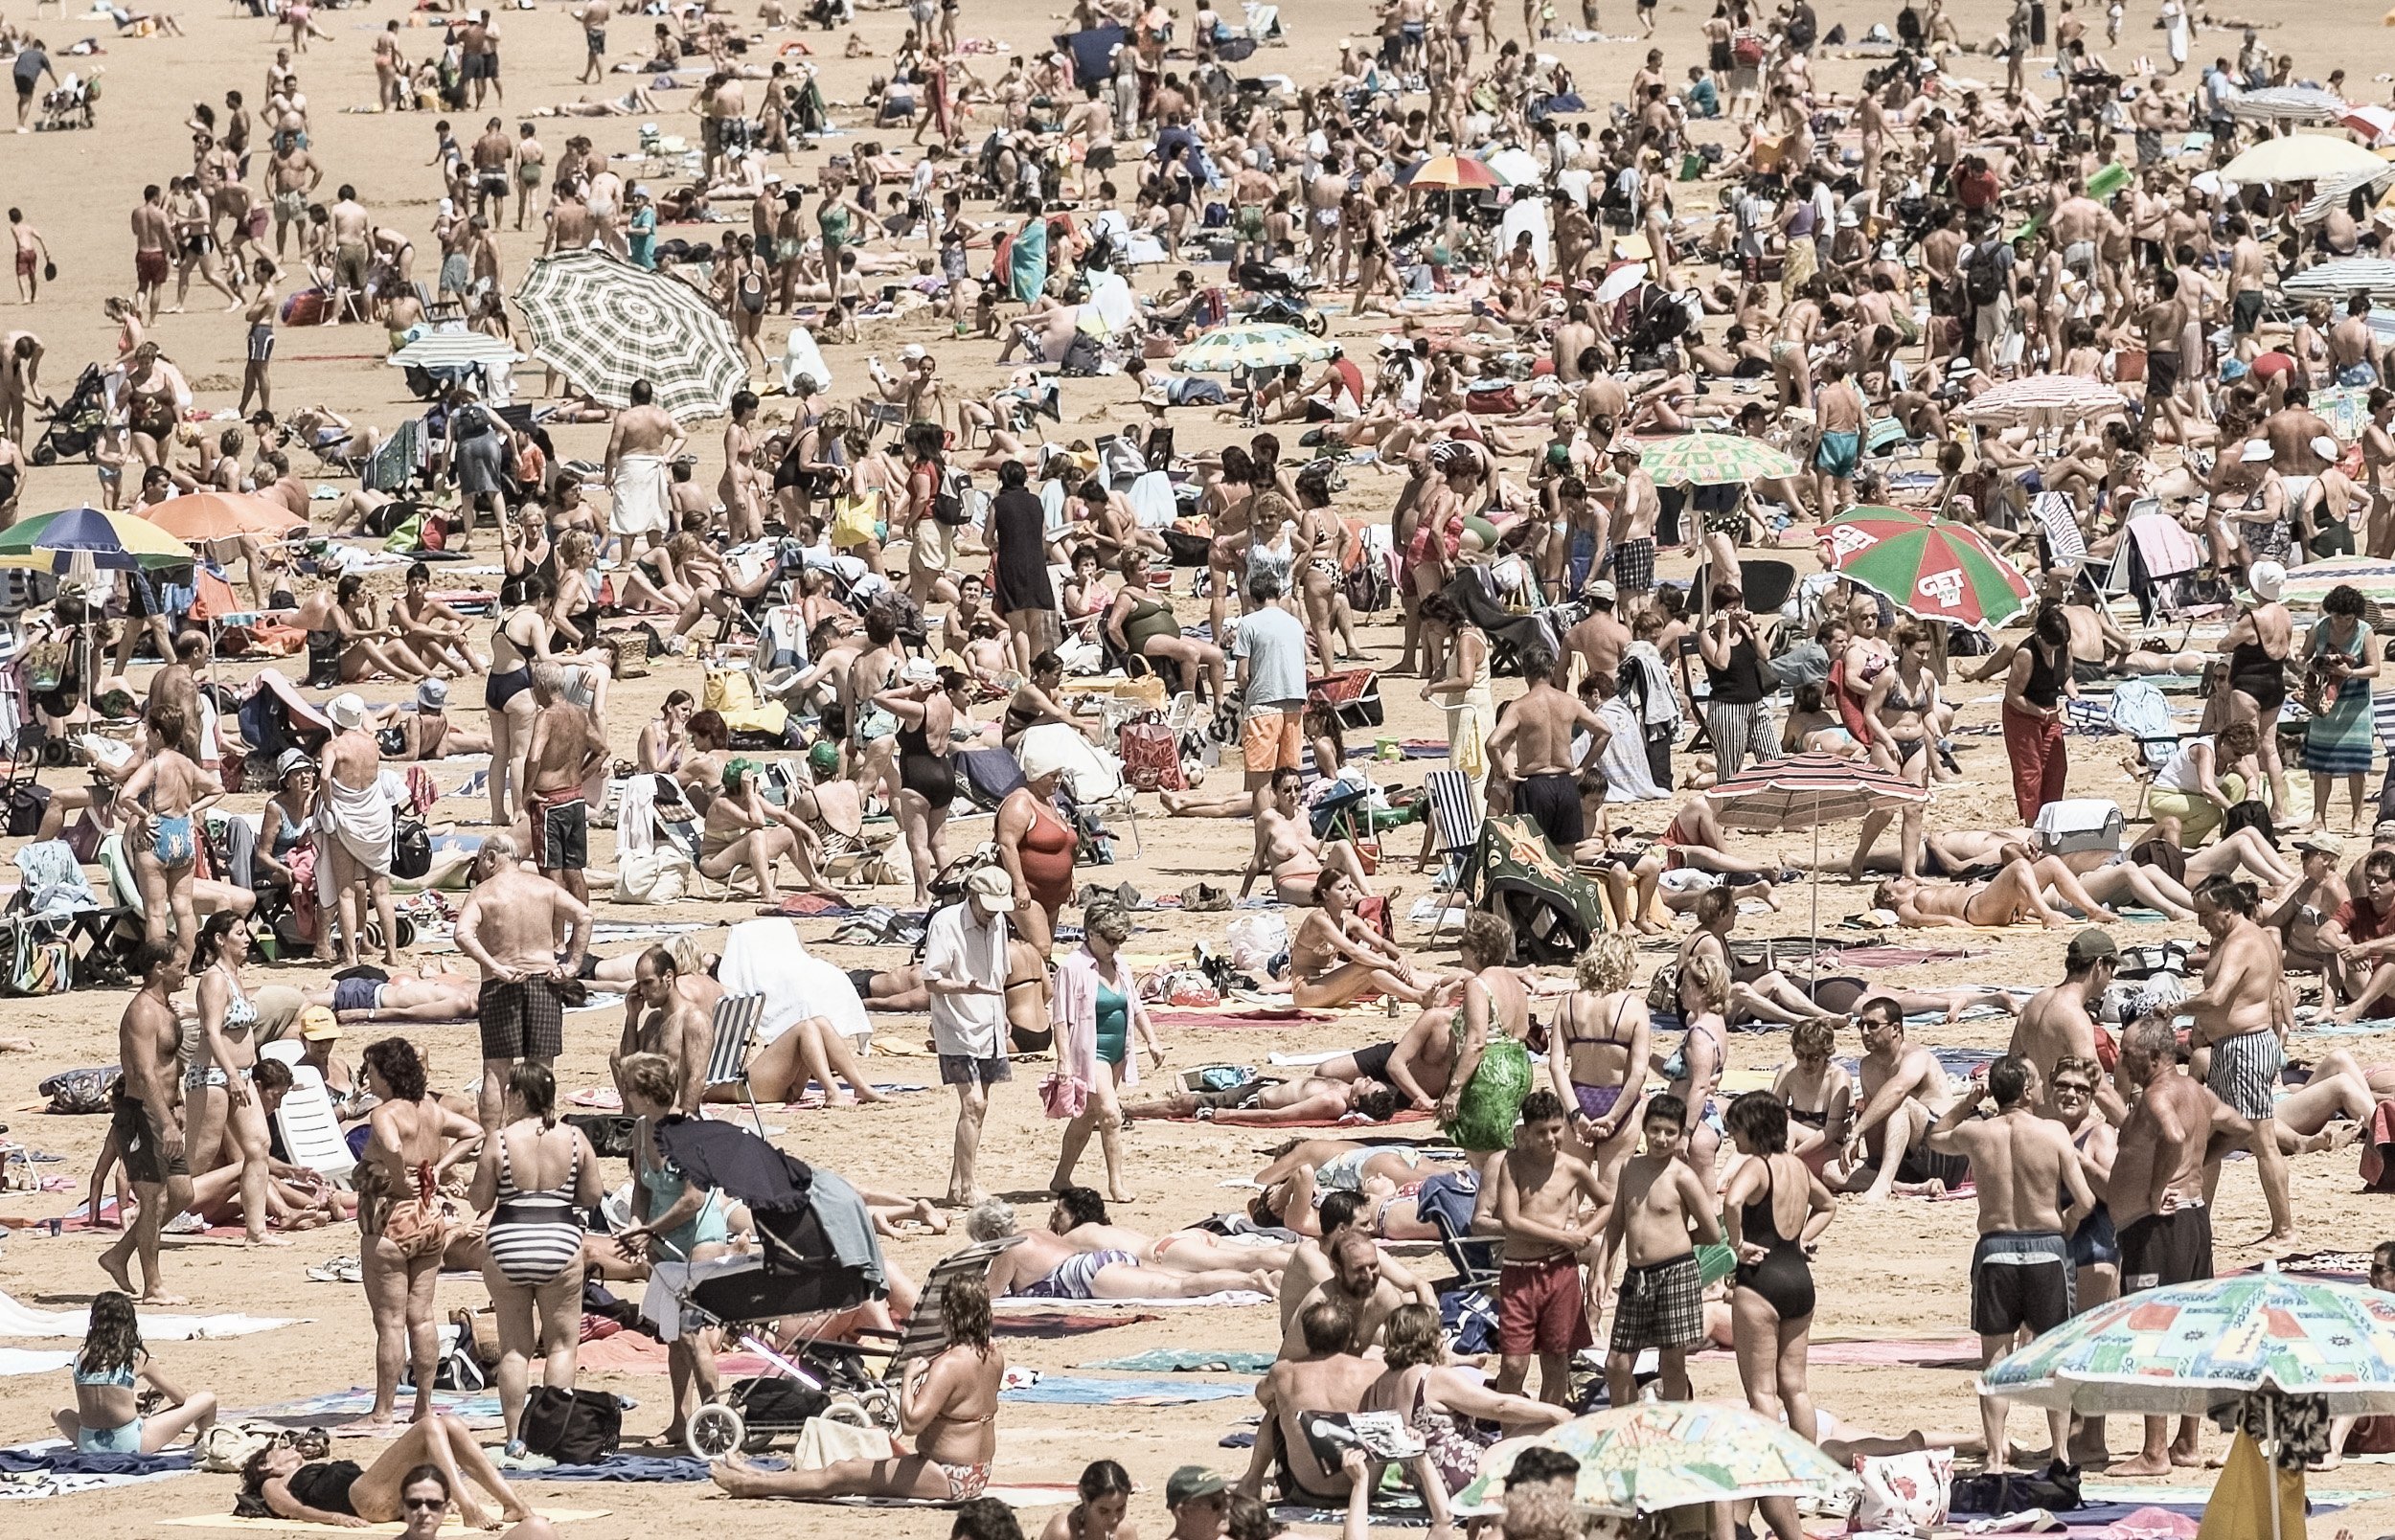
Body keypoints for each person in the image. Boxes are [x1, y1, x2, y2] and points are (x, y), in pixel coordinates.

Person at [1925, 1053, 2092, 1470]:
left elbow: (1935, 1135)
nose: (2041, 1088)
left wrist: (1969, 1100)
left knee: (1995, 1361)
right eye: (2035, 1081)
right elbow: (2086, 1200)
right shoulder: (2052, 1133)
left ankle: (1996, 1455)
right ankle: (2060, 1452)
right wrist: (2066, 1226)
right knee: (2052, 1358)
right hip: (2046, 1248)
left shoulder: (1979, 1135)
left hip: (1996, 1248)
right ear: (2024, 1090)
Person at [711, 1277, 1004, 1502]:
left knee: (842, 1473)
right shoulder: (992, 1355)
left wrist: (909, 1380)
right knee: (859, 1459)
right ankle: (754, 1474)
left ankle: (752, 1484)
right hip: (977, 1473)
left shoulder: (950, 1365)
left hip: (948, 1475)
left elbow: (912, 1424)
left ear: (950, 1314)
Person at [2110, 1014, 2232, 1474]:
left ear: (2158, 1057)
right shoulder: (2197, 1093)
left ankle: (2155, 1451)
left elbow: (2174, 1135)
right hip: (2194, 1218)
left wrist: (2159, 1185)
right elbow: (2238, 1127)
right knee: (2192, 1331)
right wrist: (2199, 1165)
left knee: (2154, 1332)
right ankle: (2186, 1442)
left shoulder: (2159, 1094)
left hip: (2159, 1227)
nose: (2124, 1062)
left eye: (2130, 1056)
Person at [467, 1062, 603, 1457]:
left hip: (509, 1240)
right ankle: (552, 1433)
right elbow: (592, 1195)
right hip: (559, 1240)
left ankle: (514, 1438)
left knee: (514, 1348)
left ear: (520, 1096)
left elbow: (481, 1200)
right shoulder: (575, 1138)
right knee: (561, 1345)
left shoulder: (501, 1141)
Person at [356, 1035, 480, 1428]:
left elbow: (392, 1146)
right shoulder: (431, 1109)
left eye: (372, 1072)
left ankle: (383, 1411)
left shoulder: (385, 1113)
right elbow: (474, 1132)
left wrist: (396, 1177)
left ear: (387, 1074)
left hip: (391, 1218)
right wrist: (440, 1168)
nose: (368, 1079)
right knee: (422, 1318)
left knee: (390, 1322)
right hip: (429, 1219)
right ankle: (423, 1406)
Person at [618, 1051, 731, 1446]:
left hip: (699, 1238)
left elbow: (692, 1201)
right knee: (672, 1335)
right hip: (662, 1239)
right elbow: (641, 1188)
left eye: (629, 1089)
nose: (625, 1095)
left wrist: (648, 1229)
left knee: (691, 1332)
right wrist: (636, 1227)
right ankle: (681, 1421)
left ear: (647, 1094)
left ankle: (713, 1418)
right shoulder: (640, 1130)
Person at [2183, 876, 2295, 1244]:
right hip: (2234, 1047)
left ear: (2228, 909)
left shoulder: (2244, 942)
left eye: (2205, 913)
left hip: (2245, 1047)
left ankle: (2284, 1228)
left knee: (2261, 1140)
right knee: (2213, 1135)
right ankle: (2201, 1222)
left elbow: (2217, 997)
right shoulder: (2239, 937)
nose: (2201, 921)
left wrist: (2176, 1008)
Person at [455, 838, 591, 1132]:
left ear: (490, 858)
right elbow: (584, 915)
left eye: (479, 863)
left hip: (500, 983)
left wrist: (494, 966)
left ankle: (493, 1139)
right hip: (544, 980)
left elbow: (462, 934)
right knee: (542, 1066)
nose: (479, 870)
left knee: (496, 1069)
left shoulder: (483, 893)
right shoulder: (543, 887)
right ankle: (542, 1131)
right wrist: (572, 964)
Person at [1721, 1092, 1834, 1443]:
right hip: (1799, 1279)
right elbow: (1827, 1205)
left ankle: (1774, 1474)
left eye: (1736, 1129)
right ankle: (1808, 1473)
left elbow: (1733, 1200)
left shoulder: (1758, 1165)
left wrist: (1737, 1245)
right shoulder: (1798, 1166)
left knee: (1762, 1392)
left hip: (1761, 1281)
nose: (1733, 1137)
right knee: (1796, 1387)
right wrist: (1800, 1239)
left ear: (1753, 1129)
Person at [1603, 1093, 1721, 1411]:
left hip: (1676, 1273)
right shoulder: (1630, 1168)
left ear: (1681, 1134)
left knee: (1672, 1362)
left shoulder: (1682, 1175)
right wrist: (1601, 1271)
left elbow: (1712, 1231)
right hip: (1636, 1275)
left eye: (1670, 1132)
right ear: (1644, 1128)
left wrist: (1680, 1240)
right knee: (1617, 1364)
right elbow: (1616, 1224)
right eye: (1655, 1130)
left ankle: (1675, 1430)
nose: (1661, 1138)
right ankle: (1624, 1425)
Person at [1493, 1091, 1606, 1405]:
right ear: (1526, 1132)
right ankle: (1509, 1435)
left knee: (1557, 1360)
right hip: (1519, 1273)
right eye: (1541, 1132)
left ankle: (1547, 1431)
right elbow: (1511, 1220)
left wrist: (1585, 1231)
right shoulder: (1512, 1164)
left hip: (1560, 1272)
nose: (1550, 1139)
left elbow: (1608, 1202)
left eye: (1556, 1130)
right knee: (1514, 1364)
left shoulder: (1572, 1168)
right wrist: (1564, 1238)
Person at [100, 944, 194, 1304]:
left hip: (164, 1112)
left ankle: (118, 1253)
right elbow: (143, 1073)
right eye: (180, 966)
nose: (185, 972)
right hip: (143, 1114)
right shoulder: (141, 1011)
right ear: (159, 968)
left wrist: (179, 1102)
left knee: (184, 1193)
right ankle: (153, 1286)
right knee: (153, 1199)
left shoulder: (166, 1009)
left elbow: (170, 1066)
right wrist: (166, 1122)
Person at [1049, 903, 1161, 1202]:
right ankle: (1116, 1184)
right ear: (1091, 934)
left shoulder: (1120, 964)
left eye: (1120, 940)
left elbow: (1135, 1005)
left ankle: (1061, 1177)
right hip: (1090, 1053)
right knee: (1110, 1114)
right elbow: (1059, 1017)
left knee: (1087, 1116)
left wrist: (1151, 1040)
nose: (1116, 946)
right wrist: (1063, 1060)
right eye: (1111, 940)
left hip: (1117, 1053)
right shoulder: (1072, 967)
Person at [242, 1416, 535, 1530]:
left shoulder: (307, 1467)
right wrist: (335, 1518)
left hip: (380, 1496)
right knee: (428, 1426)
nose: (285, 1447)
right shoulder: (272, 1484)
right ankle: (470, 1507)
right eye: (275, 1450)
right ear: (265, 1466)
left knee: (451, 1424)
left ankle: (513, 1504)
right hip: (361, 1502)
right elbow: (294, 1510)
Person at [928, 866, 1015, 1207]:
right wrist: (963, 987)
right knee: (972, 1102)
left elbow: (999, 973)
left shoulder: (997, 924)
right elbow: (930, 980)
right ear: (973, 895)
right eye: (987, 905)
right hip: (957, 1025)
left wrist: (1004, 1012)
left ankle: (957, 1185)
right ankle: (968, 1187)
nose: (991, 912)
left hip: (990, 1024)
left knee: (980, 1107)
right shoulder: (946, 923)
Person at [54, 1290, 217, 1454]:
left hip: (88, 1443)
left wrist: (128, 1396)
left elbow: (100, 1393)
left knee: (58, 1412)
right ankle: (203, 1436)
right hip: (130, 1443)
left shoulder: (81, 1357)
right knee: (207, 1399)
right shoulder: (135, 1356)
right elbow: (180, 1398)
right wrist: (157, 1391)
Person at [1842, 997, 1965, 1200]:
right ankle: (1913, 1188)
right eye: (1861, 1025)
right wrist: (1869, 1160)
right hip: (1907, 1161)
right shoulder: (1867, 1067)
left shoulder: (1916, 1057)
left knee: (1902, 1104)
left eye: (1872, 1025)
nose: (1864, 1032)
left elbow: (1898, 1090)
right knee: (1832, 1171)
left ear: (1896, 1029)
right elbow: (1874, 1130)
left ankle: (1883, 1185)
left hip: (1946, 1152)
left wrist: (1855, 1132)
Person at [1486, 646, 1608, 851]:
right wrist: (1583, 768)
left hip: (1535, 785)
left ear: (1525, 672)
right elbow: (1604, 732)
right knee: (1567, 859)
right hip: (1565, 783)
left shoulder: (1519, 706)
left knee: (1535, 857)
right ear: (1551, 669)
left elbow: (1492, 743)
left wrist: (1503, 774)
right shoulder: (1570, 702)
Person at [313, 693, 399, 970]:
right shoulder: (371, 744)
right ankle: (392, 953)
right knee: (381, 891)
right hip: (375, 817)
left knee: (346, 891)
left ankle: (351, 955)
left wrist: (328, 804)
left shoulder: (334, 747)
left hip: (348, 818)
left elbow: (325, 776)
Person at [1230, 571, 1312, 809]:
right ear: (1278, 594)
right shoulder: (1295, 623)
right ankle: (1289, 829)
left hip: (1263, 705)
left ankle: (1264, 839)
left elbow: (1242, 674)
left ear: (1253, 598)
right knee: (1288, 778)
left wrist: (1243, 687)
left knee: (1262, 783)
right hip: (1294, 705)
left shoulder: (1248, 623)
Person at [994, 736, 1077, 954]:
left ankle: (1038, 987)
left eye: (1060, 775)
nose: (1057, 781)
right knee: (1041, 948)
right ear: (1036, 775)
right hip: (1028, 892)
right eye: (1052, 776)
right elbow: (1006, 844)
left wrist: (1071, 880)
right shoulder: (1020, 803)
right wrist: (1019, 887)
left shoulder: (1049, 801)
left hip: (1054, 895)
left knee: (1043, 953)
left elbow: (1065, 846)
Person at [2002, 604, 2074, 823]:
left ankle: (2051, 818)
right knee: (2030, 773)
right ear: (2040, 635)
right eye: (2050, 645)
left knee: (2057, 767)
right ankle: (2031, 822)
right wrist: (2041, 714)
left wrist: (2076, 698)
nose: (2053, 649)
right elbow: (2013, 695)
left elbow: (2066, 677)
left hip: (2050, 711)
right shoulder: (2026, 654)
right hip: (2023, 714)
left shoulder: (2063, 647)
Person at [1040, 1461, 1136, 1540]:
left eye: (1120, 1509)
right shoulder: (1062, 1533)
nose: (1114, 1519)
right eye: (1104, 1511)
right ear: (1084, 1498)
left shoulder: (1125, 1534)